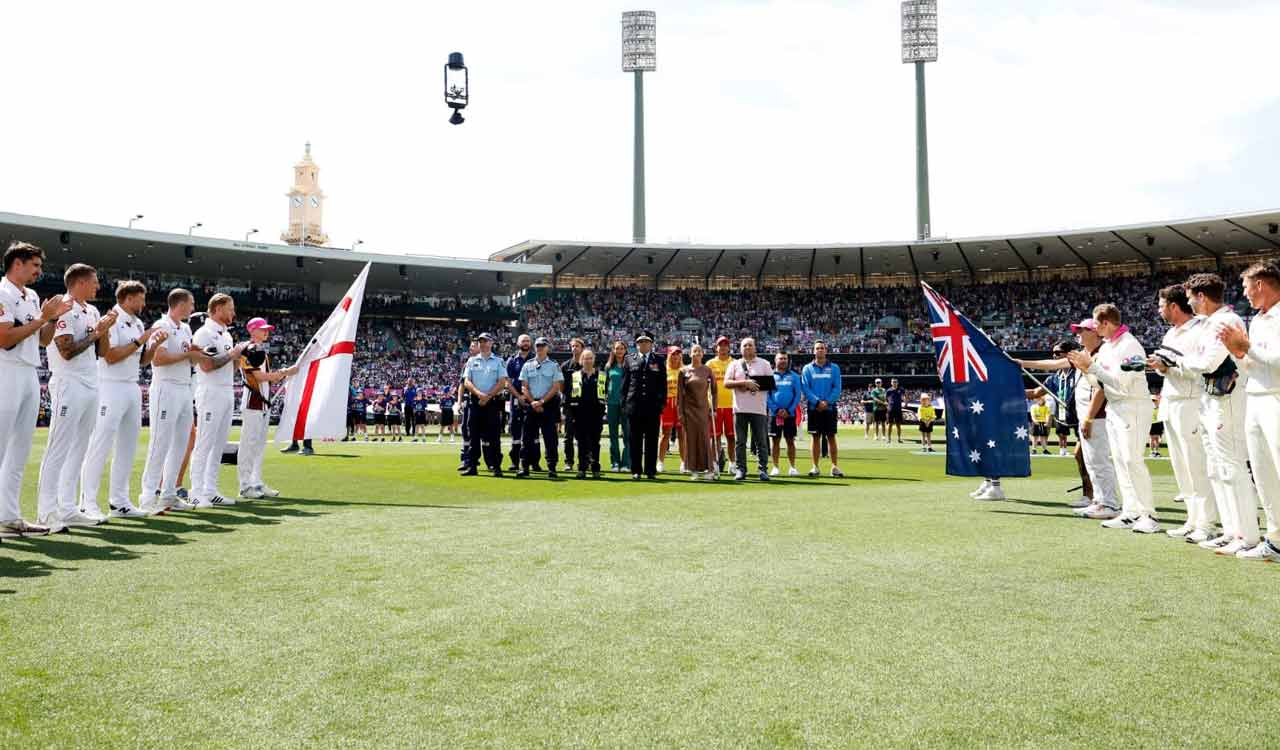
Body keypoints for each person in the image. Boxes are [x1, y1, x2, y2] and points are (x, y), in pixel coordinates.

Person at [1176, 273, 1259, 555]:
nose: (1189, 303)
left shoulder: (1226, 321)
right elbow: (1200, 362)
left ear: (1201, 296)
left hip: (1228, 399)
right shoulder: (1210, 323)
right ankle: (1230, 530)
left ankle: (1246, 534)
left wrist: (1182, 360)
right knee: (1216, 468)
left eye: (1190, 297)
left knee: (1232, 466)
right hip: (1210, 398)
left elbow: (1208, 362)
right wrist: (1190, 361)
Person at [1066, 303, 1160, 533]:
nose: (1095, 329)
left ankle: (1149, 515)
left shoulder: (1129, 345)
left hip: (1133, 406)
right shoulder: (1108, 346)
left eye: (1096, 324)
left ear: (1107, 323)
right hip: (1116, 407)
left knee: (1132, 460)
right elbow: (1100, 382)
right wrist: (1087, 370)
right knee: (1120, 461)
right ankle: (1130, 512)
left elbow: (1122, 383)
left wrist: (1092, 368)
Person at [37, 263, 115, 530]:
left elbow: (102, 352)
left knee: (79, 448)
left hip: (91, 381)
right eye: (94, 282)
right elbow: (66, 350)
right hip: (68, 382)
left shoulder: (91, 310)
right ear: (80, 282)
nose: (97, 286)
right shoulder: (64, 307)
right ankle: (47, 512)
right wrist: (96, 333)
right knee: (58, 447)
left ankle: (68, 508)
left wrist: (104, 329)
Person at [0, 241, 70, 536]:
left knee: (19, 450)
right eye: (35, 265)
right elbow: (3, 338)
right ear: (18, 263)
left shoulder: (31, 295)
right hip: (6, 370)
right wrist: (43, 318)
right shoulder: (2, 292)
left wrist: (51, 318)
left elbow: (43, 340)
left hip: (29, 371)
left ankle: (9, 517)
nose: (39, 271)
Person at [78, 280, 163, 519]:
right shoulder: (112, 318)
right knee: (100, 444)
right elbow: (111, 356)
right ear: (128, 298)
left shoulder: (136, 322)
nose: (144, 303)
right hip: (110, 386)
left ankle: (120, 501)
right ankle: (87, 502)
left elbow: (141, 360)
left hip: (131, 385)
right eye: (141, 299)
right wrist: (140, 340)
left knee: (127, 446)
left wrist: (154, 345)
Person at [1219, 259, 1280, 561]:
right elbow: (1252, 367)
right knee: (1263, 473)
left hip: (1277, 399)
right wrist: (1238, 351)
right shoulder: (1257, 320)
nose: (1244, 294)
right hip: (1256, 397)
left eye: (1246, 287)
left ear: (1260, 284)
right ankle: (1276, 540)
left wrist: (1247, 347)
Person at [138, 288, 202, 513]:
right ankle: (147, 496)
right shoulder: (161, 325)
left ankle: (168, 494)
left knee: (181, 443)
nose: (193, 308)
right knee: (160, 441)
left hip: (184, 387)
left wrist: (195, 355)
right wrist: (188, 355)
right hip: (166, 388)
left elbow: (187, 358)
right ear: (180, 304)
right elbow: (159, 359)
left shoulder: (184, 328)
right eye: (191, 303)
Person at [189, 293, 250, 507]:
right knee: (204, 442)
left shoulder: (226, 335)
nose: (233, 312)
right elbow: (206, 366)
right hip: (210, 390)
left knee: (218, 444)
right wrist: (232, 354)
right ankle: (195, 492)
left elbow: (229, 366)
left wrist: (239, 357)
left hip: (225, 390)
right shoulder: (203, 334)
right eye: (230, 308)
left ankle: (210, 489)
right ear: (217, 309)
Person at [236, 317, 297, 500]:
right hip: (253, 401)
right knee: (249, 444)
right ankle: (245, 485)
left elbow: (264, 377)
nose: (266, 332)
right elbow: (259, 376)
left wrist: (281, 373)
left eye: (267, 329)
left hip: (262, 402)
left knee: (259, 445)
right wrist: (284, 373)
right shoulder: (248, 349)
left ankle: (256, 482)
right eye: (262, 329)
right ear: (252, 330)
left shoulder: (259, 349)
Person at [724, 337, 774, 482]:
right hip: (740, 409)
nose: (747, 348)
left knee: (761, 442)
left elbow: (770, 384)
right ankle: (741, 470)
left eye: (750, 345)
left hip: (759, 409)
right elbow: (726, 383)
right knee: (740, 442)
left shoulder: (764, 364)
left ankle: (763, 470)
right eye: (744, 345)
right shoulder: (735, 364)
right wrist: (744, 383)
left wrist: (754, 385)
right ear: (740, 349)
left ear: (755, 348)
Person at [461, 332, 508, 477]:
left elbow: (502, 382)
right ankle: (472, 466)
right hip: (475, 402)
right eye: (480, 341)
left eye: (485, 341)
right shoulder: (471, 361)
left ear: (491, 343)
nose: (482, 344)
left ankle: (496, 466)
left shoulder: (499, 361)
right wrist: (479, 394)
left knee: (494, 436)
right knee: (473, 436)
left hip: (492, 403)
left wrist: (487, 396)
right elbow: (467, 382)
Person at [621, 332, 666, 480]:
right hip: (634, 406)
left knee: (652, 440)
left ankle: (650, 470)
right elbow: (625, 384)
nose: (643, 344)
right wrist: (625, 404)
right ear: (637, 344)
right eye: (640, 342)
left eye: (646, 342)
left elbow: (662, 384)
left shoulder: (659, 360)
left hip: (652, 407)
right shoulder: (629, 360)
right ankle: (636, 470)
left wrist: (661, 404)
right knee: (635, 440)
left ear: (651, 344)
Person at [517, 336, 562, 478]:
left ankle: (552, 468)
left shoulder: (554, 365)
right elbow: (524, 387)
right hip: (531, 405)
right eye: (537, 345)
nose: (540, 348)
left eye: (543, 345)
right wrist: (533, 402)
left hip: (548, 405)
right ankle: (524, 467)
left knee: (550, 439)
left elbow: (556, 387)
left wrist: (541, 402)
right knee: (527, 439)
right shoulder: (527, 365)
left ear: (548, 347)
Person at [801, 341, 844, 478]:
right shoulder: (807, 368)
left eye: (822, 348)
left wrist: (827, 402)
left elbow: (837, 388)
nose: (820, 350)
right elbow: (805, 388)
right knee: (815, 437)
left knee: (831, 437)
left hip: (830, 408)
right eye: (817, 348)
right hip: (814, 408)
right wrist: (817, 402)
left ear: (826, 350)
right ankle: (815, 467)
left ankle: (834, 467)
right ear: (813, 351)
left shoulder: (834, 368)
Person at [677, 342, 717, 481]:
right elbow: (679, 395)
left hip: (703, 410)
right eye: (694, 351)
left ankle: (709, 470)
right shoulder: (683, 371)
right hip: (688, 411)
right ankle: (693, 470)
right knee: (691, 440)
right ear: (690, 354)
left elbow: (714, 391)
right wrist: (680, 412)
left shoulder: (707, 370)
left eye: (699, 351)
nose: (697, 354)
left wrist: (715, 409)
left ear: (703, 354)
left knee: (705, 439)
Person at [568, 348, 606, 479]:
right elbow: (570, 397)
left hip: (596, 415)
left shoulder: (602, 375)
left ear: (594, 359)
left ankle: (595, 468)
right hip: (580, 415)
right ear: (581, 360)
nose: (588, 361)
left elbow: (605, 394)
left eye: (590, 358)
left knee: (595, 443)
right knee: (582, 443)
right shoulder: (575, 376)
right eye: (585, 358)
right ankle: (582, 468)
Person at [505, 334, 538, 471]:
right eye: (523, 341)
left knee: (534, 434)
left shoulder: (536, 360)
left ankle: (534, 462)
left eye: (528, 341)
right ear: (518, 343)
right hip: (517, 400)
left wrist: (530, 397)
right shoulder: (512, 361)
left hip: (532, 400)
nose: (526, 343)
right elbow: (507, 382)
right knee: (516, 433)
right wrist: (518, 396)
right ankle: (515, 462)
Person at [706, 336, 737, 474]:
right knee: (715, 437)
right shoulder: (710, 364)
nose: (723, 347)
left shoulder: (735, 363)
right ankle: (715, 463)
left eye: (725, 345)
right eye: (720, 345)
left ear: (729, 347)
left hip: (732, 405)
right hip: (715, 406)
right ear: (716, 347)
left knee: (731, 437)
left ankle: (732, 463)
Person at [768, 351, 801, 477]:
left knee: (790, 441)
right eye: (780, 358)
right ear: (775, 360)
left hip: (790, 415)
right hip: (774, 414)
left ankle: (792, 467)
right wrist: (776, 410)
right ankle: (775, 467)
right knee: (775, 441)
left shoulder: (794, 376)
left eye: (785, 359)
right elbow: (767, 396)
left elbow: (797, 395)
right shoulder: (770, 376)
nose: (783, 361)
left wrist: (789, 410)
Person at [659, 345, 686, 474]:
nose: (675, 356)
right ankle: (660, 462)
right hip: (668, 404)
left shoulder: (685, 370)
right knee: (665, 434)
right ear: (669, 356)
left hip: (681, 404)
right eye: (673, 354)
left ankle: (684, 462)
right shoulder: (664, 370)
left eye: (677, 354)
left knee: (682, 435)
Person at [604, 340, 630, 472]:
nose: (619, 351)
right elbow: (604, 386)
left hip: (626, 404)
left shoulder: (629, 365)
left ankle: (626, 463)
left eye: (621, 348)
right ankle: (615, 462)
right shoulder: (609, 366)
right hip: (612, 404)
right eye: (617, 349)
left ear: (625, 350)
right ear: (613, 351)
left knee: (627, 434)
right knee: (613, 434)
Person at [560, 338, 585, 471]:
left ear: (582, 348)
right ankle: (568, 462)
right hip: (569, 404)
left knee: (583, 435)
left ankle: (585, 461)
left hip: (584, 405)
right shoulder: (565, 366)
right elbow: (561, 386)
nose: (574, 348)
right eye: (572, 346)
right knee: (568, 435)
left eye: (577, 346)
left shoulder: (587, 364)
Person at [457, 340, 479, 470]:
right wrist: (459, 402)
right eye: (470, 346)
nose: (471, 348)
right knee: (466, 429)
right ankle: (466, 459)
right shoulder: (468, 364)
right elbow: (461, 384)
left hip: (483, 401)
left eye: (474, 346)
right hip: (469, 402)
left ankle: (490, 460)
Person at [885, 378, 905, 443]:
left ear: (897, 383)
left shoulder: (901, 389)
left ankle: (899, 438)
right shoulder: (889, 390)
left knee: (898, 425)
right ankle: (889, 439)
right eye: (893, 382)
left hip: (898, 409)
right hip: (891, 409)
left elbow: (904, 396)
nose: (894, 383)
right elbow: (886, 400)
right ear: (891, 383)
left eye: (895, 382)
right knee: (890, 424)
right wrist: (887, 406)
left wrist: (905, 402)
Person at [1147, 394, 1163, 459]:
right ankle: (1151, 452)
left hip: (1158, 424)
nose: (1154, 401)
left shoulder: (1159, 408)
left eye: (1155, 400)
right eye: (1153, 400)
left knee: (1157, 439)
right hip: (1152, 424)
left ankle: (1156, 452)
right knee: (1152, 438)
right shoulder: (1149, 408)